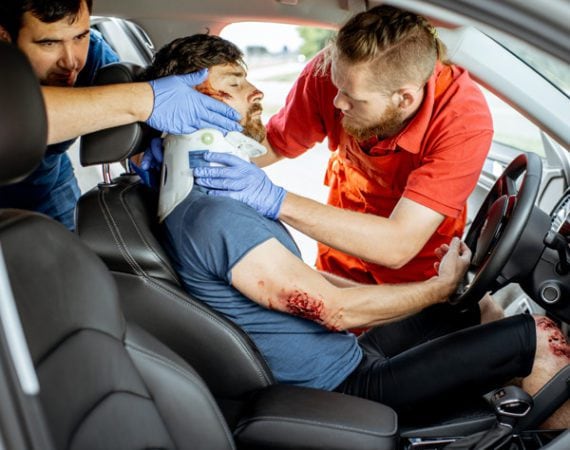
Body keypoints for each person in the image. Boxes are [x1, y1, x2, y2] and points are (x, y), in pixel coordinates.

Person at [150, 33, 569, 427]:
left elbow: (318, 286)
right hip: (343, 385)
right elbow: (334, 310)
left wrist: (441, 291)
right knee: (535, 336)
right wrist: (437, 287)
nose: (256, 92)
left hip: (345, 353)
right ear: (186, 103)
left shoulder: (213, 199)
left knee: (467, 306)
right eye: (235, 83)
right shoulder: (216, 214)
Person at [191, 5, 502, 347]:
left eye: (353, 99)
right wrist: (196, 157)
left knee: (409, 349)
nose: (337, 102)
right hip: (342, 236)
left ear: (404, 98)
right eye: (337, 87)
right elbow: (275, 143)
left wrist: (274, 199)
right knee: (334, 335)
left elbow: (398, 244)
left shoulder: (462, 120)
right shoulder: (335, 74)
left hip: (417, 262)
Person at [0, 0, 241, 230]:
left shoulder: (94, 55)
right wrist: (144, 99)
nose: (71, 61)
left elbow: (129, 132)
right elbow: (15, 119)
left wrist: (159, 156)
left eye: (80, 36)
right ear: (4, 36)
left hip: (47, 181)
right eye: (48, 43)